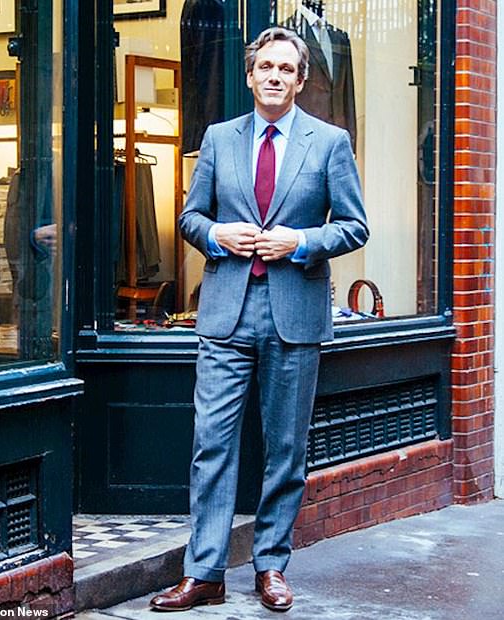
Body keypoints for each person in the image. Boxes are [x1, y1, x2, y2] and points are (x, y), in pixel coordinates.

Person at [149, 26, 368, 612]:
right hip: (225, 315)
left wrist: (299, 241)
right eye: (264, 67)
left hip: (294, 316)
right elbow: (192, 217)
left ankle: (270, 564)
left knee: (285, 449)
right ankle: (205, 573)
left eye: (285, 69)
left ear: (300, 80)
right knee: (212, 445)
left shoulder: (329, 143)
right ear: (250, 76)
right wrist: (216, 234)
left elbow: (354, 225)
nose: (273, 76)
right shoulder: (219, 139)